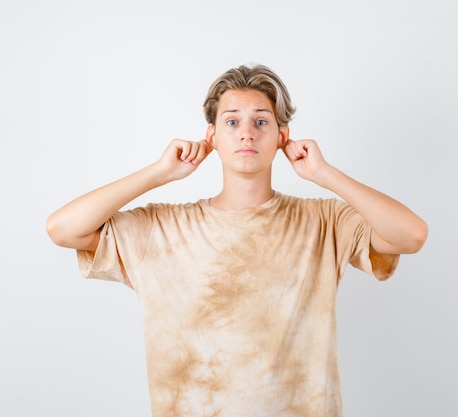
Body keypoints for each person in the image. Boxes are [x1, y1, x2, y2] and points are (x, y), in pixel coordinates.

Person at [46, 63, 428, 417]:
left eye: (261, 121)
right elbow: (63, 229)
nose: (247, 132)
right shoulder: (163, 228)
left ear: (282, 137)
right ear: (211, 136)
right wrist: (158, 173)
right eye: (232, 121)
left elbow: (411, 235)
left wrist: (324, 174)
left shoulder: (323, 221)